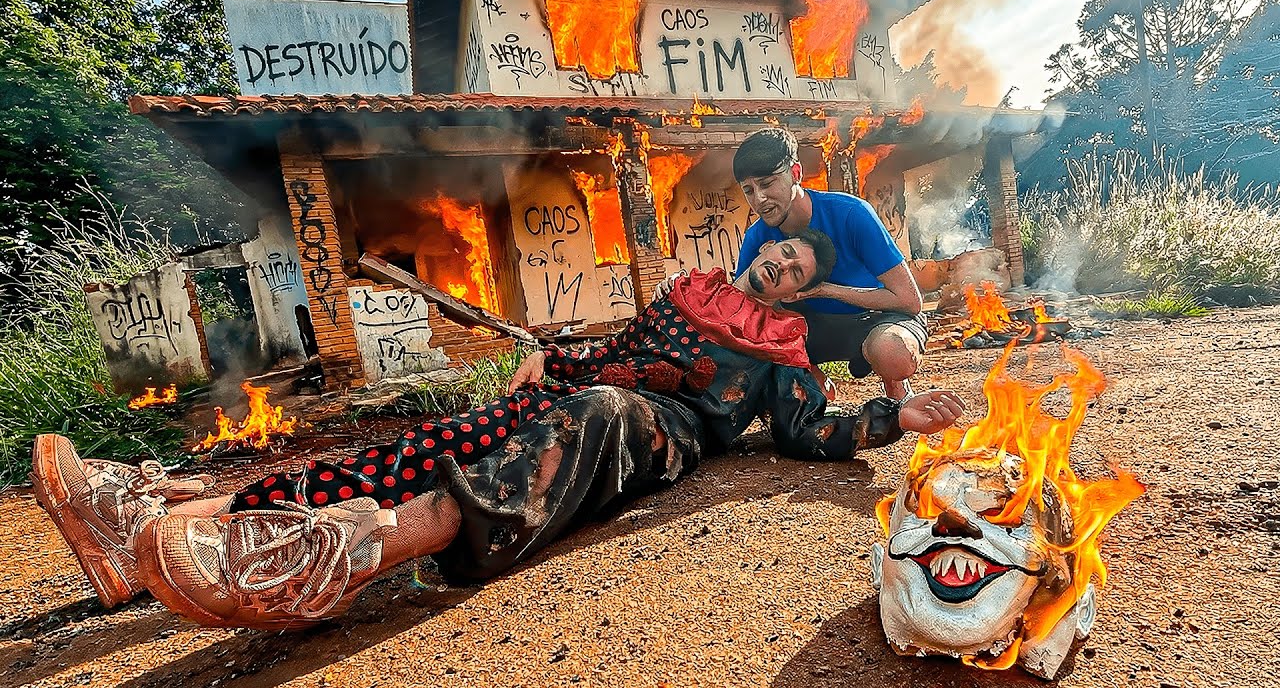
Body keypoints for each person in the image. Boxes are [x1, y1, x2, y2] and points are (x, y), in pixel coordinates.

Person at [32, 230, 963, 630]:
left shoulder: (784, 347)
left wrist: (890, 418)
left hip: (662, 425)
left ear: (800, 290)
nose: (779, 267)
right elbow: (617, 347)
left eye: (795, 268)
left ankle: (356, 549)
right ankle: (164, 517)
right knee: (438, 440)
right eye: (777, 255)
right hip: (588, 385)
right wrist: (547, 359)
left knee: (600, 412)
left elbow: (806, 431)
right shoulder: (688, 289)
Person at [731, 128, 928, 400]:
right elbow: (740, 305)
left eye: (767, 184)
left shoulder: (851, 213)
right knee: (755, 345)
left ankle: (895, 384)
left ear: (796, 173)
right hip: (810, 328)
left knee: (893, 354)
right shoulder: (757, 237)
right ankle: (811, 380)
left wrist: (825, 290)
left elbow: (909, 301)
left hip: (875, 317)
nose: (759, 199)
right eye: (749, 190)